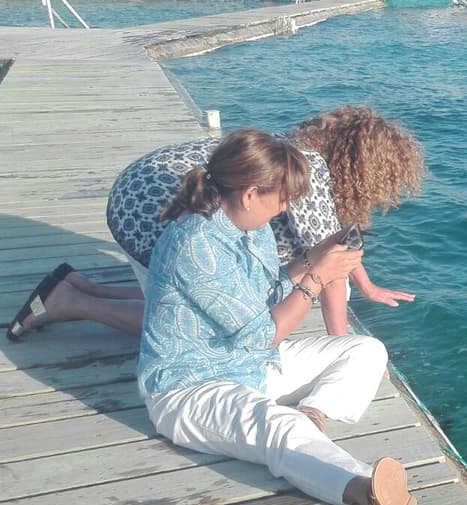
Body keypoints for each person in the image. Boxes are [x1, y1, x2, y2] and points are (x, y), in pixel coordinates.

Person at [136, 129, 415, 505]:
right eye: (282, 197)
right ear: (250, 194)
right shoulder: (196, 244)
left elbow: (265, 295)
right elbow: (265, 333)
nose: (285, 208)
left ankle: (314, 414)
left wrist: (312, 258)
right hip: (189, 387)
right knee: (276, 425)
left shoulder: (248, 226)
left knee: (366, 349)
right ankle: (361, 487)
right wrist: (317, 278)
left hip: (250, 365)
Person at [6, 106, 424, 341]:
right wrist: (342, 343)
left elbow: (334, 237)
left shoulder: (291, 150)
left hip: (136, 192)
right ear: (364, 169)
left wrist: (366, 285)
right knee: (196, 327)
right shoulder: (309, 173)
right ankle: (70, 303)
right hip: (150, 215)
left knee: (200, 288)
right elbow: (329, 265)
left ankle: (80, 286)